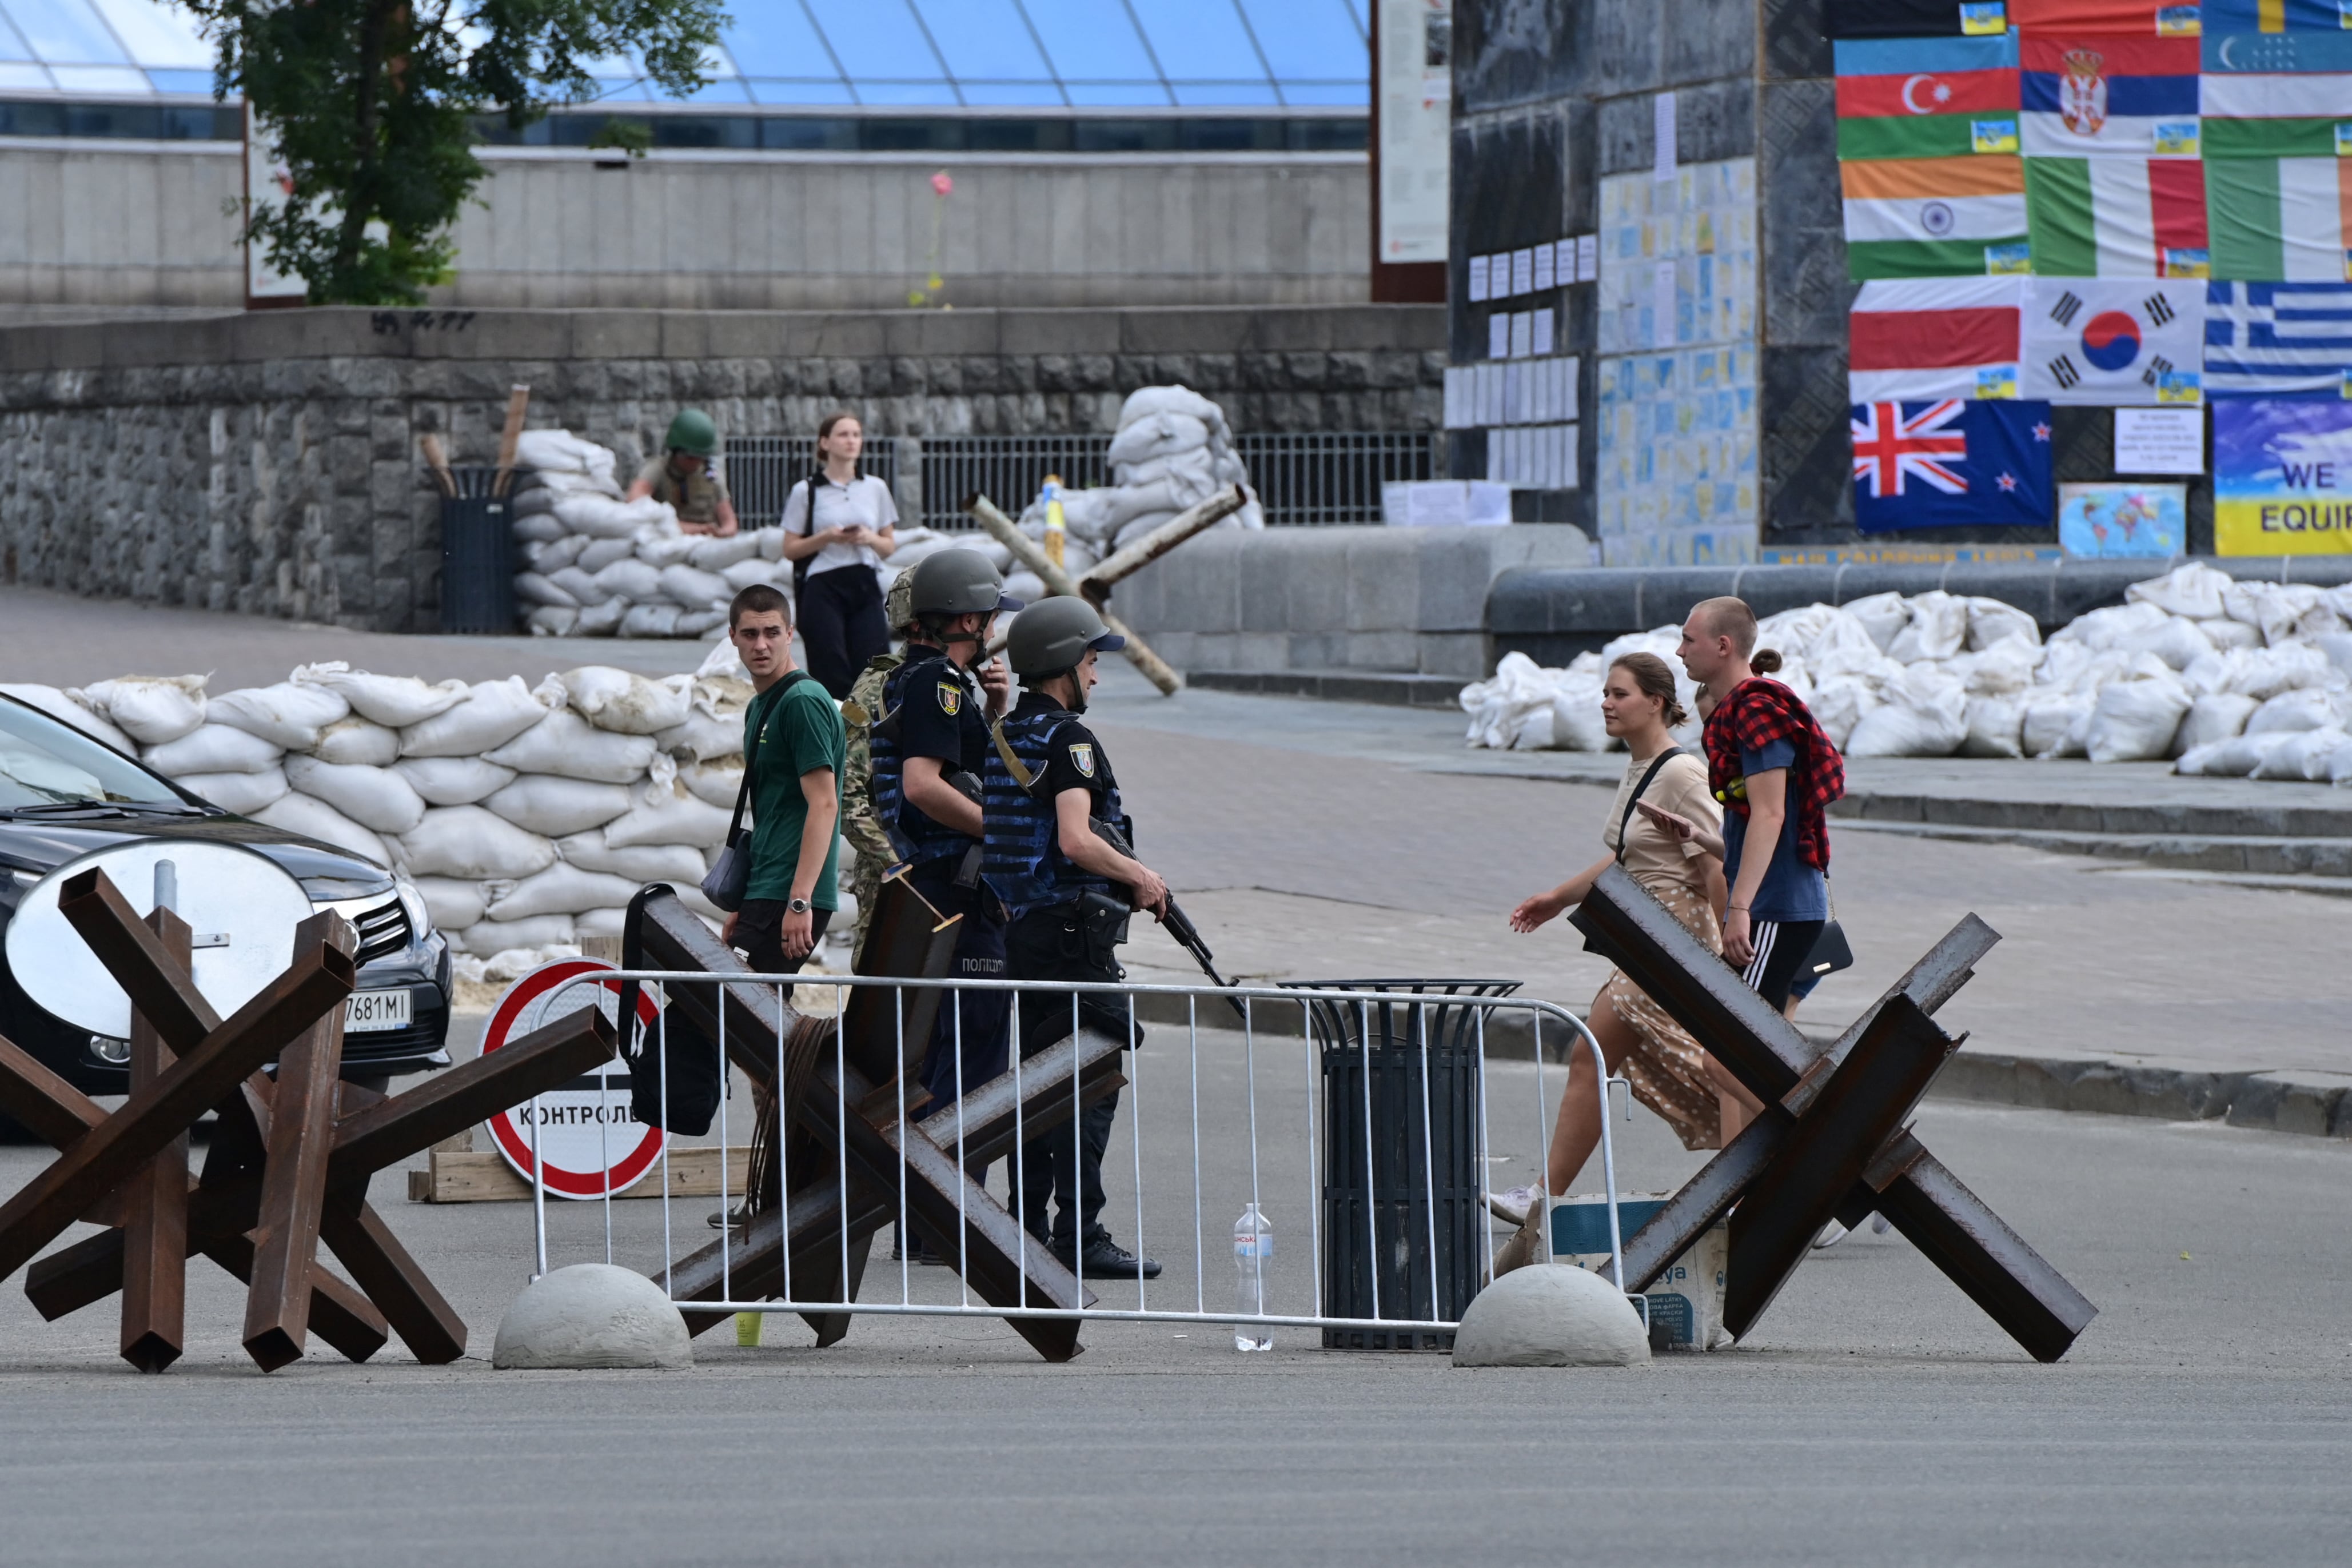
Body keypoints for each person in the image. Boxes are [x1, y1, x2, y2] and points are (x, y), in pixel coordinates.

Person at [1496, 654, 1756, 1252]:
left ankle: (1796, 1163)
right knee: (1592, 1057)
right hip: (1647, 940)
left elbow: (1715, 862)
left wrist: (1727, 951)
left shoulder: (1682, 773)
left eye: (1619, 693)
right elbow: (1629, 857)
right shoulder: (1643, 767)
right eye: (1605, 693)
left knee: (1716, 1065)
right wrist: (1558, 897)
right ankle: (1544, 1195)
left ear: (1656, 702)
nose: (1607, 703)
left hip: (1676, 944)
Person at [982, 597, 1170, 1281]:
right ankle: (1079, 1232)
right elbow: (1075, 838)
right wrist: (1141, 877)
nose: (1096, 676)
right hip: (1070, 936)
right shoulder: (1069, 741)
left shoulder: (1004, 735)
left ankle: (1025, 1224)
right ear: (1064, 664)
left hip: (1024, 934)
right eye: (1091, 662)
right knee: (1092, 1079)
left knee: (1036, 1083)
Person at [868, 546, 1021, 1120]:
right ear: (965, 620)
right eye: (989, 617)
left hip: (930, 894)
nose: (992, 629)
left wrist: (995, 708)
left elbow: (961, 770)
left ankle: (926, 1205)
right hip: (954, 896)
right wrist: (999, 829)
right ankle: (953, 1205)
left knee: (936, 1063)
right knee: (971, 1067)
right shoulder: (938, 681)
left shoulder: (924, 678)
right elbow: (921, 786)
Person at [1675, 596, 1844, 1010]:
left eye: (1688, 640)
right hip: (1770, 907)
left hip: (1776, 909)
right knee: (1742, 1053)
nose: (1679, 651)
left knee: (1732, 1053)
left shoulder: (1755, 707)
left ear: (1723, 646)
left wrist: (1739, 907)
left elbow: (1770, 814)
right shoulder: (1739, 707)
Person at [717, 584, 843, 983]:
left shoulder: (802, 701)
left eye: (773, 632)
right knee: (752, 1024)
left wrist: (801, 901)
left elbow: (824, 805)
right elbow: (771, 811)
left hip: (790, 893)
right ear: (733, 636)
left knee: (722, 1017)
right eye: (751, 634)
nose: (761, 645)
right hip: (767, 888)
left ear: (791, 635)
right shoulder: (759, 706)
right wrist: (745, 899)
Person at [780, 412, 899, 700]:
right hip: (823, 583)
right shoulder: (805, 490)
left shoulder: (876, 487)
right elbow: (790, 549)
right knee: (829, 664)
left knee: (875, 664)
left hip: (863, 579)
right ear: (825, 442)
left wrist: (867, 537)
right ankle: (833, 729)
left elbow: (888, 545)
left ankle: (873, 734)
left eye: (856, 435)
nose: (852, 441)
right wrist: (827, 537)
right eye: (843, 435)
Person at [839, 567, 916, 968]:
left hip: (929, 869)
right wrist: (894, 861)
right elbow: (846, 794)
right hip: (890, 876)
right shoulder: (879, 685)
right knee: (882, 993)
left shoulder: (950, 683)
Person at [627, 409, 739, 537]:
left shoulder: (712, 476)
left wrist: (720, 532)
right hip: (668, 538)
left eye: (700, 458)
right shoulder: (658, 469)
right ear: (676, 452)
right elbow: (635, 500)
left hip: (707, 542)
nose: (695, 463)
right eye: (689, 458)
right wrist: (689, 529)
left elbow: (729, 521)